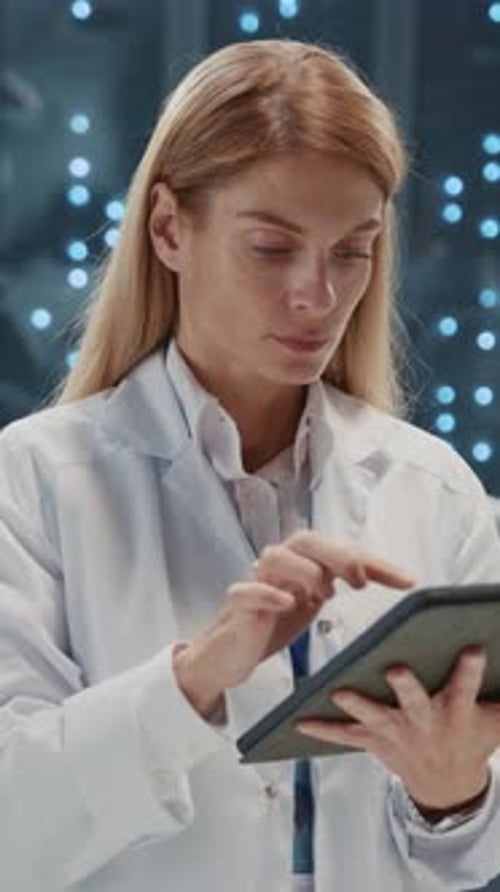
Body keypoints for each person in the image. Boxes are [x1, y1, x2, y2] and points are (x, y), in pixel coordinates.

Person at [1, 38, 500, 892]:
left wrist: (451, 794)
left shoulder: (436, 489)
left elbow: (468, 858)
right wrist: (202, 675)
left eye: (354, 250)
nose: (320, 295)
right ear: (168, 229)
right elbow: (12, 834)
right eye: (271, 248)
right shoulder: (34, 481)